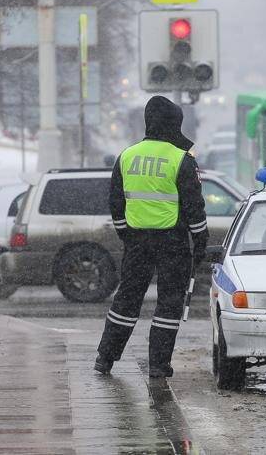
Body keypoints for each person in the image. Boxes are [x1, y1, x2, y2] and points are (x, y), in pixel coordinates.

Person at [95, 95, 208, 378]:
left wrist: (125, 233)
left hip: (136, 241)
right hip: (173, 242)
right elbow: (194, 206)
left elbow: (116, 202)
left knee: (126, 299)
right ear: (174, 124)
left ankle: (105, 358)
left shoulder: (127, 156)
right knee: (169, 303)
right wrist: (200, 240)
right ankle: (158, 365)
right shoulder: (181, 159)